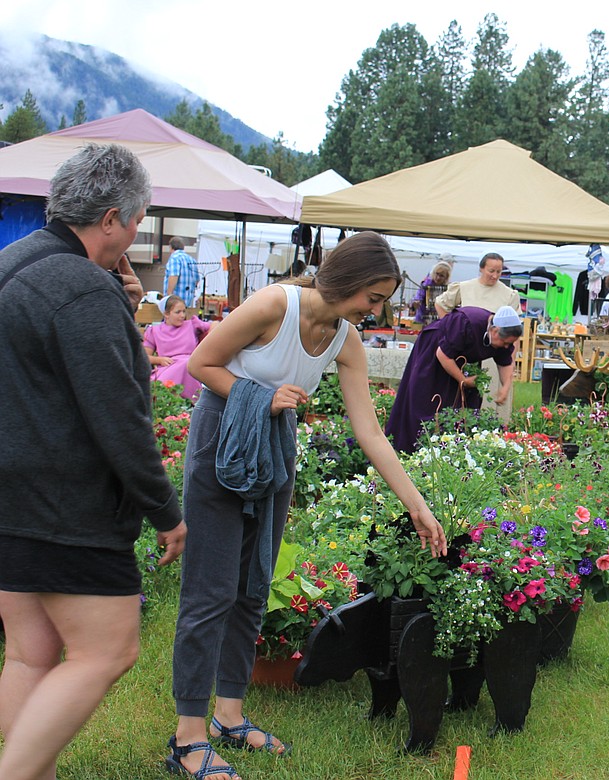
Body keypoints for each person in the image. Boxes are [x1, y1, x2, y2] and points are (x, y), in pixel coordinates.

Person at [169, 231, 447, 780]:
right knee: (211, 590)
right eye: (372, 298)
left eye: (382, 300)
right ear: (345, 282)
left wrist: (416, 502)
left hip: (272, 450)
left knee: (252, 586)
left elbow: (370, 431)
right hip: (221, 440)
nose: (376, 311)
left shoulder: (345, 341)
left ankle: (228, 715)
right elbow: (201, 364)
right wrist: (263, 396)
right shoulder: (275, 305)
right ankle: (188, 737)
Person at [0, 143, 188, 780]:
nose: (135, 236)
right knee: (107, 650)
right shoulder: (79, 287)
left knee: (31, 654)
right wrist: (165, 509)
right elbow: (118, 413)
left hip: (11, 495)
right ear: (110, 217)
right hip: (65, 504)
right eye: (135, 222)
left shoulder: (15, 263)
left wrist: (116, 294)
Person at [385, 305, 523, 453]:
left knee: (464, 407)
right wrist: (463, 380)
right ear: (494, 331)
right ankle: (410, 450)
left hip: (459, 362)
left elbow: (505, 362)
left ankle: (452, 451)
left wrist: (505, 387)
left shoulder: (502, 336)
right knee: (426, 402)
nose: (506, 346)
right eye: (505, 342)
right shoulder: (466, 322)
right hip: (434, 355)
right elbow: (443, 354)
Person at [434, 252, 522, 422]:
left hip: (491, 353)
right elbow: (440, 303)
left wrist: (509, 361)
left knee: (480, 396)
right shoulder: (465, 287)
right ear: (481, 268)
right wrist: (449, 329)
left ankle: (480, 426)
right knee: (451, 396)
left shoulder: (508, 294)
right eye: (491, 271)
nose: (495, 275)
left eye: (499, 272)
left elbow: (512, 331)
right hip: (459, 350)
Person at [143, 295, 216, 400]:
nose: (182, 315)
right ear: (166, 314)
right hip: (168, 366)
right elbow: (144, 356)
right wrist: (159, 360)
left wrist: (209, 341)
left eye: (184, 311)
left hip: (190, 365)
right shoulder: (154, 331)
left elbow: (215, 325)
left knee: (187, 364)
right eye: (178, 312)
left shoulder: (192, 324)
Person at [165, 236, 201, 308]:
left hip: (176, 302)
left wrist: (169, 295)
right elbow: (197, 281)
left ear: (171, 247)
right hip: (189, 302)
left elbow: (173, 276)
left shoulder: (174, 258)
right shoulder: (191, 259)